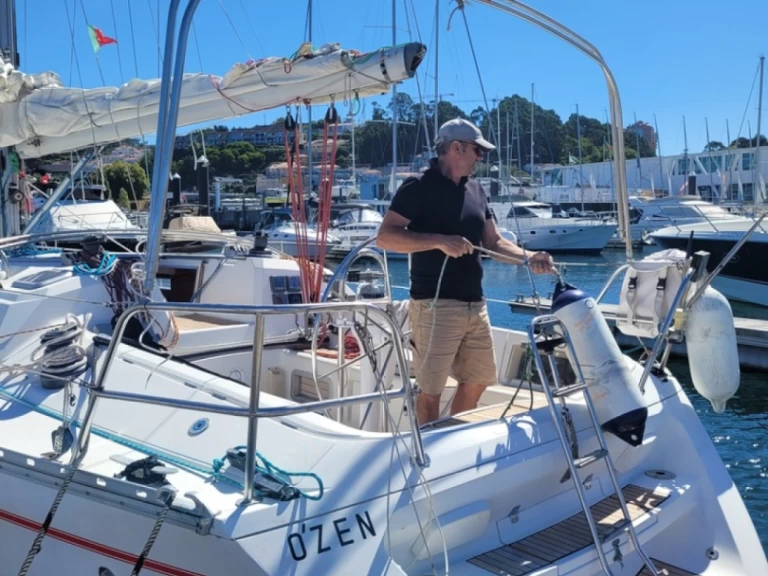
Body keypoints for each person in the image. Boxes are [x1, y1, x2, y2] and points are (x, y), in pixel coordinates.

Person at [376, 118, 555, 426]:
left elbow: (493, 242)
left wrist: (530, 258)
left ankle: (453, 435)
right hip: (435, 305)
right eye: (477, 150)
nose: (481, 158)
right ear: (456, 148)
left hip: (476, 304)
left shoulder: (476, 190)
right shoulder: (418, 186)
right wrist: (440, 241)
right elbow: (386, 237)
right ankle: (429, 447)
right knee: (430, 392)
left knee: (478, 379)